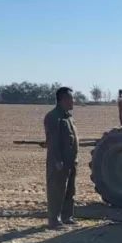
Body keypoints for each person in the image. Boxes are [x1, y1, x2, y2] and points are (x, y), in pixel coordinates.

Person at [44, 86, 79, 229]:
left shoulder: (68, 117)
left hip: (71, 161)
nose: (73, 101)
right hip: (59, 162)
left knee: (69, 191)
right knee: (57, 190)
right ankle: (54, 220)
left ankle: (67, 216)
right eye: (71, 99)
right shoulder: (53, 117)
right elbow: (52, 142)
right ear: (62, 100)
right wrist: (57, 161)